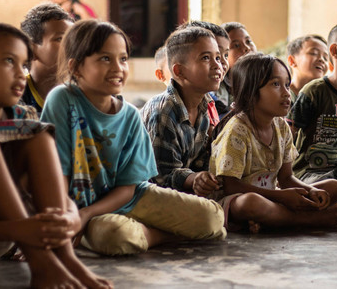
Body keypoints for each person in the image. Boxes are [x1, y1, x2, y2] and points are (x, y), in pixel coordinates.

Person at [41, 21, 225, 256]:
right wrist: (77, 215)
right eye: (105, 58)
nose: (118, 67)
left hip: (130, 199)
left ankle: (148, 234)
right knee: (114, 236)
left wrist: (85, 216)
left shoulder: (129, 115)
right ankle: (159, 233)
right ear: (76, 68)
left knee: (212, 218)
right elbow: (58, 176)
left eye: (123, 59)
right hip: (77, 206)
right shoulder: (63, 100)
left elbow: (129, 189)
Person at [0, 22, 111, 288]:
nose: (21, 74)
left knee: (38, 134)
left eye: (24, 64)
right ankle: (42, 264)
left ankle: (64, 260)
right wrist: (17, 230)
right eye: (9, 61)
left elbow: (57, 197)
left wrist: (71, 217)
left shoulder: (25, 117)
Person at [210, 53, 337, 232]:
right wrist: (280, 197)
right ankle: (312, 219)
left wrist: (309, 191)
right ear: (250, 92)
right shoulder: (238, 129)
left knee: (334, 187)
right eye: (275, 84)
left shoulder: (281, 127)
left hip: (272, 197)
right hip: (235, 201)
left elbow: (286, 178)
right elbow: (230, 186)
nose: (286, 92)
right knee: (251, 203)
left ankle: (273, 220)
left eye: (286, 84)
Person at [141, 26, 223, 197]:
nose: (218, 65)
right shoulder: (164, 110)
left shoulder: (204, 105)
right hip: (147, 194)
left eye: (218, 57)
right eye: (206, 58)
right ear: (179, 71)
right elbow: (161, 177)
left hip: (182, 193)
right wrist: (194, 179)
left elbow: (201, 165)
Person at [288, 22, 337, 184]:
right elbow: (289, 136)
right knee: (332, 187)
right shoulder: (314, 91)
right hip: (312, 172)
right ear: (335, 51)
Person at [19, 3, 74, 113]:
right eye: (60, 39)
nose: (72, 46)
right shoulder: (17, 95)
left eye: (73, 39)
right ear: (31, 50)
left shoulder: (83, 95)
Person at [176, 20, 231, 123]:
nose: (221, 63)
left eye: (226, 55)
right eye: (206, 57)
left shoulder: (208, 102)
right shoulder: (170, 110)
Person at [219, 22, 257, 118]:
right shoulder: (217, 88)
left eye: (248, 41)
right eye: (236, 45)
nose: (247, 48)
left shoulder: (266, 78)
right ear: (222, 55)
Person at [286, 34, 329, 103]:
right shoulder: (282, 95)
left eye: (326, 58)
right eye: (314, 53)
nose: (322, 60)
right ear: (292, 61)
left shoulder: (326, 99)